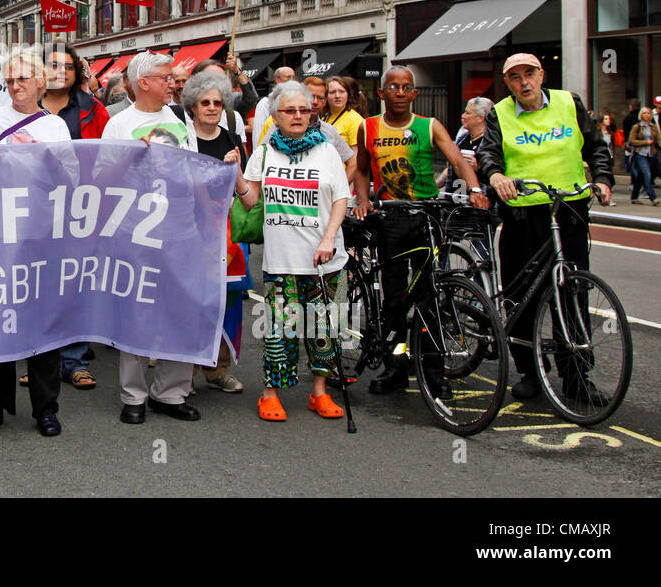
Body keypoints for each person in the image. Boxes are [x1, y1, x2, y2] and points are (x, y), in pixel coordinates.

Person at [476, 54, 614, 402]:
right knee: (522, 296)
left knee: (573, 293)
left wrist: (602, 179)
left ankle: (577, 376)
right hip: (523, 215)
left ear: (541, 75)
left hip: (568, 210)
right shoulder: (499, 113)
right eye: (515, 77)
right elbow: (488, 154)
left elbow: (596, 145)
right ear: (506, 83)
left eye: (529, 74)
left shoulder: (569, 103)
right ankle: (532, 372)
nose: (524, 82)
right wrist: (495, 176)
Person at [353, 65, 485, 395]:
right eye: (392, 87)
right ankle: (395, 367)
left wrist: (475, 190)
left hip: (426, 217)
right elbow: (361, 169)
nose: (399, 92)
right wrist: (361, 200)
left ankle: (434, 371)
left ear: (414, 94)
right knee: (395, 299)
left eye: (406, 87)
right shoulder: (368, 127)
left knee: (431, 297)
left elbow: (458, 160)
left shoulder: (429, 126)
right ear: (381, 93)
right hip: (390, 220)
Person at [0, 48, 70, 437]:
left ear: (40, 81)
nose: (15, 86)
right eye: (9, 80)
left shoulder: (55, 127)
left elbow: (69, 177)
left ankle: (45, 407)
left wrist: (41, 158)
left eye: (23, 78)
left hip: (39, 233)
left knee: (42, 320)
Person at [235, 80, 350, 422]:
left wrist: (329, 239)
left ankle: (319, 392)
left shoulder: (326, 149)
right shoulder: (266, 151)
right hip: (282, 259)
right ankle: (270, 394)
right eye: (290, 111)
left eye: (304, 110)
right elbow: (251, 198)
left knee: (323, 330)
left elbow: (341, 199)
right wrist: (236, 175)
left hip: (325, 259)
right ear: (276, 115)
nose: (298, 116)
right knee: (278, 330)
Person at [101, 51, 201, 425]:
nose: (173, 84)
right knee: (137, 310)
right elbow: (103, 177)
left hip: (180, 229)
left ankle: (172, 392)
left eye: (173, 78)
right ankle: (134, 394)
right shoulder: (119, 125)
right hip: (134, 233)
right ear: (143, 83)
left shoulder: (180, 120)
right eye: (165, 78)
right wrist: (130, 159)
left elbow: (193, 170)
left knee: (180, 310)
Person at [41, 44, 109, 389]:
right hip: (33, 211)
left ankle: (74, 359)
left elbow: (108, 156)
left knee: (76, 283)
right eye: (53, 65)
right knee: (38, 284)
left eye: (68, 66)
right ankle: (40, 359)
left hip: (80, 209)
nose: (61, 71)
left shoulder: (93, 109)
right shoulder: (24, 107)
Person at [183, 70, 247, 394]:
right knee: (191, 301)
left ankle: (217, 368)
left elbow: (248, 198)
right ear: (192, 106)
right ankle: (186, 371)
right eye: (204, 102)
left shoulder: (233, 140)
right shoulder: (181, 139)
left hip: (226, 236)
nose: (211, 108)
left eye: (217, 103)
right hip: (189, 233)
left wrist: (235, 174)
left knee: (226, 302)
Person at [437, 97, 493, 192]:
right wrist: (435, 185)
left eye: (467, 113)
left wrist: (478, 168)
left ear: (481, 118)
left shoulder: (490, 142)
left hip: (477, 202)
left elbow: (497, 176)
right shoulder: (462, 138)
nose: (463, 116)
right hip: (454, 200)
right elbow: (450, 168)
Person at [251, 65, 296, 149]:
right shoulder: (265, 103)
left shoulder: (297, 101)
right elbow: (258, 132)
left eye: (293, 77)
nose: (292, 80)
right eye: (288, 77)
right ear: (278, 80)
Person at [626, 107, 659, 204]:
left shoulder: (653, 127)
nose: (647, 115)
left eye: (648, 113)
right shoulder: (637, 127)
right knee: (647, 174)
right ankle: (653, 197)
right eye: (644, 113)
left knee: (640, 177)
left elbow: (658, 139)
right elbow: (631, 141)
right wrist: (646, 142)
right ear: (641, 115)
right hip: (640, 153)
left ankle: (634, 197)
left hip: (651, 154)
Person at [323, 75, 363, 149]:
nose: (337, 96)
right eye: (332, 92)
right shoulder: (324, 117)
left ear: (348, 95)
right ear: (325, 96)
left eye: (341, 92)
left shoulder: (355, 120)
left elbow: (356, 155)